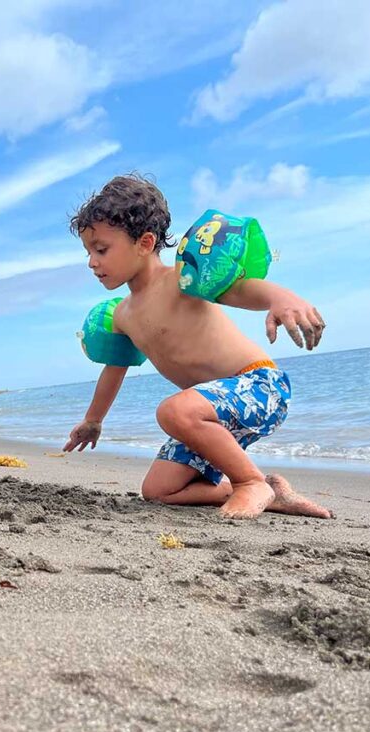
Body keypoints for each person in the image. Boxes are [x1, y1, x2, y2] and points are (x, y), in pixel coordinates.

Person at [63, 175, 332, 520]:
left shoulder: (182, 280)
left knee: (173, 411)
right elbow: (114, 370)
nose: (92, 262)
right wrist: (93, 420)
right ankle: (271, 490)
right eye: (88, 252)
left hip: (260, 386)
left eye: (101, 249)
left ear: (145, 243)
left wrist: (282, 298)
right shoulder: (122, 316)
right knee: (159, 491)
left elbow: (240, 290)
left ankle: (250, 482)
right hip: (207, 414)